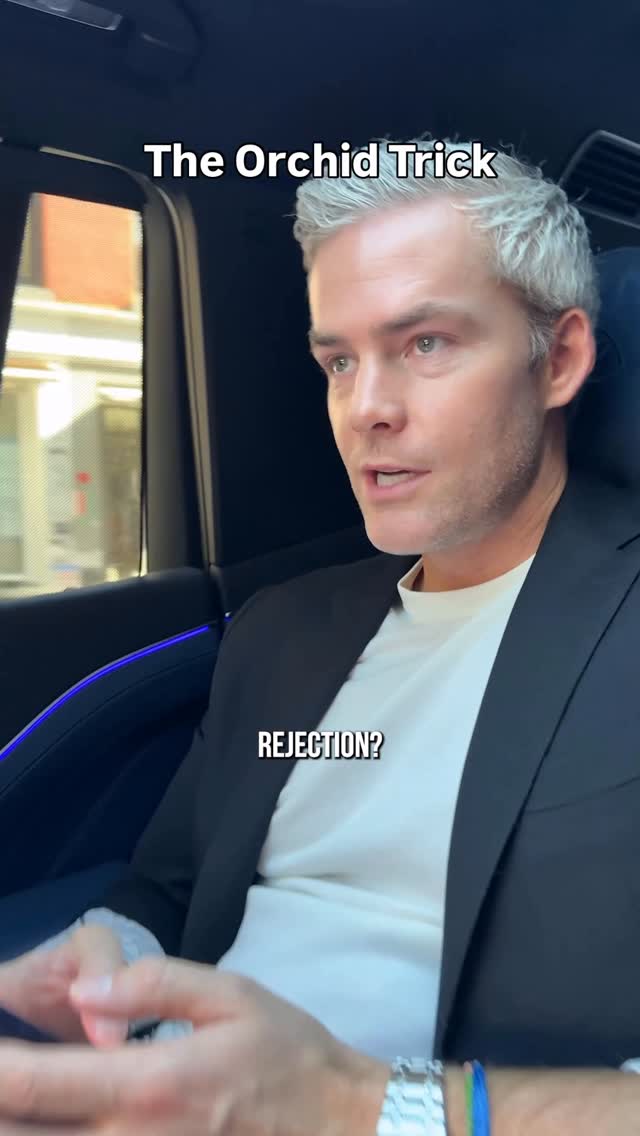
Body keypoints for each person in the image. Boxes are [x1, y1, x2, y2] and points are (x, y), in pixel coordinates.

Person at [1, 137, 640, 1134]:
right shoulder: (283, 628)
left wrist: (361, 1104)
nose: (364, 409)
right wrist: (108, 956)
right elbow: (165, 885)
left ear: (557, 359)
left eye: (425, 344)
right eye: (339, 360)